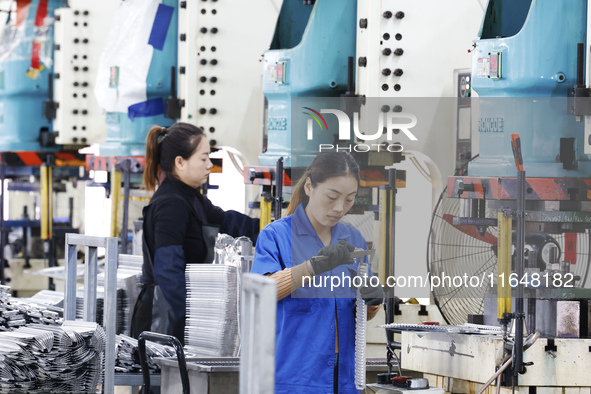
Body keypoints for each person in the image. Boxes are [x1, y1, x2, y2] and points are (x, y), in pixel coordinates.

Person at [251, 151, 384, 394]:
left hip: (344, 379)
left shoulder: (353, 238)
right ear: (310, 186)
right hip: (295, 378)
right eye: (332, 196)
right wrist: (312, 267)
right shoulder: (276, 236)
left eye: (349, 199)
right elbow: (262, 293)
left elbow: (355, 314)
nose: (339, 208)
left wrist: (372, 303)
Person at [131, 122, 259, 342]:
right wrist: (192, 322)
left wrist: (277, 230)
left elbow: (230, 222)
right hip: (163, 324)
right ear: (180, 162)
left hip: (177, 318)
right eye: (203, 158)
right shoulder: (171, 204)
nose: (209, 164)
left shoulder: (191, 198)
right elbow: (168, 271)